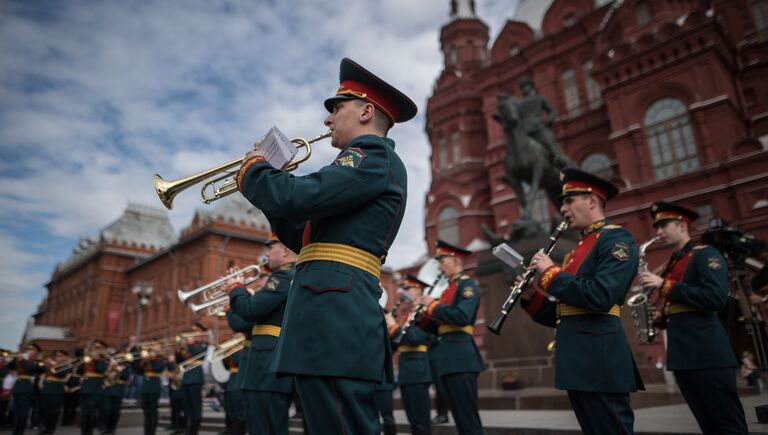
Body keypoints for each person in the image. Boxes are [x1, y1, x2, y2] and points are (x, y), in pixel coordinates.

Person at [234, 57, 416, 434]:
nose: (328, 119)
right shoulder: (361, 162)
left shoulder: (371, 154)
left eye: (337, 108)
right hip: (325, 316)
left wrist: (257, 173)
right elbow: (302, 235)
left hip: (334, 316)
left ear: (366, 111)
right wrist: (270, 189)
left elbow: (301, 196)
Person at [521, 168, 643, 435]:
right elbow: (567, 311)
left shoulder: (615, 238)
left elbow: (600, 296)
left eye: (569, 200)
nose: (562, 208)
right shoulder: (578, 248)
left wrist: (551, 273)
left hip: (600, 360)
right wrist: (531, 297)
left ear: (591, 200)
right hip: (578, 361)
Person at [638, 201, 748, 434]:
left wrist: (663, 285)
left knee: (729, 426)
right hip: (683, 357)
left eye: (663, 226)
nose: (658, 232)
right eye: (657, 227)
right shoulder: (672, 263)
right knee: (708, 426)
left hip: (707, 354)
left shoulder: (706, 254)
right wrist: (661, 315)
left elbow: (715, 298)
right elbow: (683, 304)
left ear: (681, 225)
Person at [227, 233, 295, 435]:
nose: (266, 253)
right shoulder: (290, 276)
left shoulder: (283, 276)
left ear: (284, 250)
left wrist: (235, 288)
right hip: (266, 369)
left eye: (270, 248)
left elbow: (250, 312)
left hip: (266, 369)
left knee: (265, 428)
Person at [417, 240, 485, 435]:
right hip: (448, 357)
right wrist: (423, 318)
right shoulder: (448, 289)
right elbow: (440, 328)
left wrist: (433, 306)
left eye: (442, 261)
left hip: (461, 357)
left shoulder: (466, 285)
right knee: (460, 420)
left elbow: (462, 317)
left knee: (468, 420)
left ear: (455, 260)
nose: (439, 266)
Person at [386, 275, 433, 435]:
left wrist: (393, 326)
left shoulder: (424, 313)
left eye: (409, 290)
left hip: (417, 370)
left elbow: (414, 338)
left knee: (421, 421)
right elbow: (398, 342)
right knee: (413, 420)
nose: (405, 294)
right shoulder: (409, 315)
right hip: (407, 370)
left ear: (418, 292)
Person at [516, 78, 568, 167]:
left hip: (539, 127)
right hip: (526, 132)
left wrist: (548, 121)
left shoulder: (540, 98)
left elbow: (552, 111)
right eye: (522, 88)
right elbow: (517, 118)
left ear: (531, 87)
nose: (524, 89)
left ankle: (558, 157)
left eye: (525, 87)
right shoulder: (519, 104)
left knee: (548, 141)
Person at [178, 324, 209, 435]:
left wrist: (189, 345)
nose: (191, 335)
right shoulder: (187, 346)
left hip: (196, 378)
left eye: (195, 332)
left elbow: (199, 354)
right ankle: (187, 430)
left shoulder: (202, 344)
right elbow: (180, 361)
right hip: (186, 378)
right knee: (187, 409)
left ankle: (194, 431)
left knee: (196, 409)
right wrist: (180, 347)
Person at [8, 343, 45, 435]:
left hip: (27, 388)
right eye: (28, 348)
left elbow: (29, 368)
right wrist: (14, 359)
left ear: (37, 352)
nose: (28, 350)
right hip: (17, 387)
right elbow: (9, 366)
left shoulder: (38, 362)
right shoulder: (21, 360)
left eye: (31, 349)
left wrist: (21, 360)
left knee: (23, 413)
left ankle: (20, 432)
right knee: (15, 412)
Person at [135, 345, 170, 435]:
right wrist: (143, 361)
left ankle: (152, 432)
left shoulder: (160, 360)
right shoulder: (146, 361)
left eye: (153, 351)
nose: (151, 353)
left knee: (153, 412)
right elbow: (138, 371)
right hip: (145, 388)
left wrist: (151, 360)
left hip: (154, 388)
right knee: (146, 412)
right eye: (150, 351)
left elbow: (158, 368)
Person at [79, 340, 109, 435]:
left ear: (102, 350)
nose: (94, 350)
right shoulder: (88, 359)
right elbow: (79, 371)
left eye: (97, 348)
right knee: (84, 411)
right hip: (85, 387)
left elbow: (100, 369)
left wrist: (96, 359)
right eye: (94, 347)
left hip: (95, 388)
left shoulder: (103, 360)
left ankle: (89, 432)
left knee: (92, 412)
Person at [38, 350, 70, 435]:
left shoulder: (67, 365)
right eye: (57, 356)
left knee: (53, 411)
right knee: (45, 410)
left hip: (56, 390)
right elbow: (41, 371)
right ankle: (43, 427)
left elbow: (60, 374)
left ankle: (50, 429)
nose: (58, 358)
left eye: (60, 356)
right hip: (47, 389)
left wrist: (53, 363)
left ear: (65, 357)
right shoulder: (50, 365)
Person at [101, 360, 129, 435]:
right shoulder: (111, 367)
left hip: (118, 390)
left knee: (115, 411)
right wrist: (110, 367)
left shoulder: (125, 367)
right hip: (109, 389)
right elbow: (104, 376)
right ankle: (106, 427)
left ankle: (112, 428)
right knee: (107, 410)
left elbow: (126, 377)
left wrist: (120, 370)